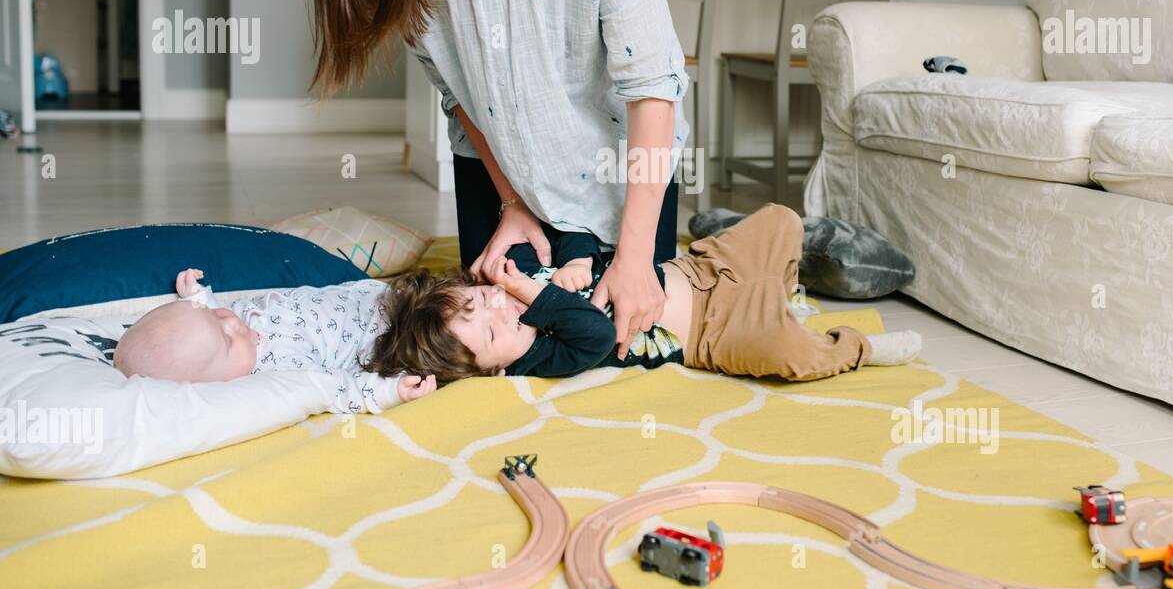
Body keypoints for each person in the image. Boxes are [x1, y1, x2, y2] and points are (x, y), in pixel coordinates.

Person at [309, 0, 685, 361]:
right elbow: (457, 94)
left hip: (615, 174)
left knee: (621, 341)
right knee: (482, 342)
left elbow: (653, 91)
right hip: (499, 171)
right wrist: (512, 203)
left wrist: (635, 258)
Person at [368, 205, 924, 384]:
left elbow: (578, 237)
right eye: (491, 334)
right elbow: (599, 332)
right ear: (495, 371)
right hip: (715, 332)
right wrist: (536, 296)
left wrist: (579, 258)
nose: (497, 309)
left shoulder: (523, 283)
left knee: (780, 218)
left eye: (476, 302)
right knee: (789, 355)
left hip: (698, 268)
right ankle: (858, 348)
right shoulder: (543, 355)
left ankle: (769, 271)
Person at [112, 269, 436, 414]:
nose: (232, 323)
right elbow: (336, 389)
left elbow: (205, 329)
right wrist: (389, 391)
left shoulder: (224, 335)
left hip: (363, 297)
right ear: (219, 383)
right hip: (390, 329)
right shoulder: (277, 376)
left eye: (216, 317)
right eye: (227, 341)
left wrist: (198, 299)